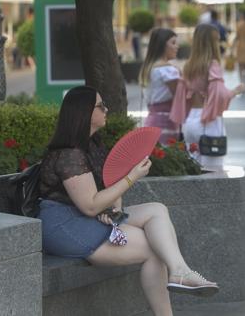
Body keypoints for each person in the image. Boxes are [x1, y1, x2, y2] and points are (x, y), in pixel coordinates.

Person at [37, 86, 218, 316]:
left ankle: (180, 271)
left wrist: (114, 210)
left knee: (157, 210)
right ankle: (177, 283)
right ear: (83, 112)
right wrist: (132, 177)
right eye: (100, 106)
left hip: (83, 215)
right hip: (63, 224)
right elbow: (90, 205)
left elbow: (109, 188)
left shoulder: (92, 146)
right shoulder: (69, 154)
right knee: (155, 249)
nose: (106, 109)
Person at [169, 24, 245, 169]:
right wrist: (235, 91)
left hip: (190, 121)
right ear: (211, 43)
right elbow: (219, 95)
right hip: (208, 121)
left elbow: (181, 96)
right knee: (213, 174)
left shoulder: (188, 65)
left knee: (193, 169)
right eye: (216, 40)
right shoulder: (212, 65)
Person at [139, 28, 180, 144]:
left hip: (151, 121)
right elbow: (180, 97)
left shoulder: (148, 68)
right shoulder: (169, 70)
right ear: (163, 45)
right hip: (167, 123)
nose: (177, 47)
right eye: (173, 43)